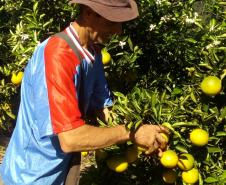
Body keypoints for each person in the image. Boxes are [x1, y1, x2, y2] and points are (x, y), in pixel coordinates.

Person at [0, 0, 169, 184]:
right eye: (112, 21)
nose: (118, 31)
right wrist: (131, 133)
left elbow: (103, 108)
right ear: (88, 12)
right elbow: (70, 138)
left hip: (62, 170)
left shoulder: (93, 52)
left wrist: (145, 130)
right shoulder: (57, 55)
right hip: (30, 176)